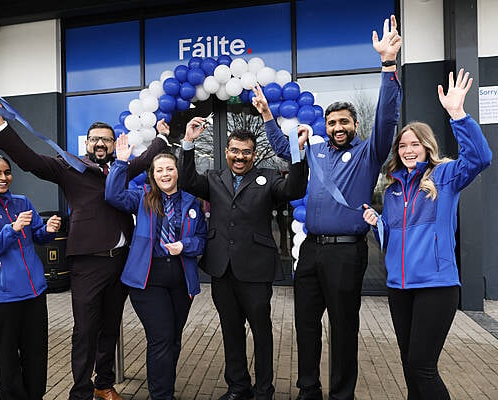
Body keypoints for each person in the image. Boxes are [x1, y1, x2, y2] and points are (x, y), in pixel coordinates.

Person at [251, 15, 403, 400]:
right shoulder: (315, 150)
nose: (337, 127)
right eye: (332, 121)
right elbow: (286, 150)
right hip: (312, 251)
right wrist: (268, 116)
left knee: (343, 327)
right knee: (304, 324)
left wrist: (388, 66)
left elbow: (386, 118)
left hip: (347, 253)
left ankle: (341, 393)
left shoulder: (369, 152)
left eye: (344, 122)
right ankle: (308, 389)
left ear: (354, 125)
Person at [0, 100, 171, 400]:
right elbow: (29, 159)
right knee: (85, 331)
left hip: (120, 262)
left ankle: (103, 384)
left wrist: (161, 136)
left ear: (113, 144)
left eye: (106, 140)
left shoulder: (120, 168)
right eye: (95, 139)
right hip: (87, 263)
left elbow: (147, 160)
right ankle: (80, 392)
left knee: (111, 328)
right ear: (87, 143)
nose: (100, 144)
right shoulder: (69, 167)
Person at [362, 69, 492, 399]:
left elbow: (480, 158)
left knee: (422, 366)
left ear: (427, 146)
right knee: (409, 366)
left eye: (415, 143)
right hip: (399, 288)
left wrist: (457, 114)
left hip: (436, 286)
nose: (408, 149)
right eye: (403, 145)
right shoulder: (391, 190)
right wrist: (377, 222)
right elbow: (391, 239)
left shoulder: (445, 175)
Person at [179, 118, 308, 400]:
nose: (240, 156)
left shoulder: (270, 177)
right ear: (226, 152)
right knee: (231, 331)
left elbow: (294, 191)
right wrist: (188, 142)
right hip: (221, 269)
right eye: (235, 151)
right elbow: (186, 179)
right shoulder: (213, 178)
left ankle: (264, 390)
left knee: (262, 333)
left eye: (246, 152)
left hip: (256, 269)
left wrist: (297, 154)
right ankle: (238, 387)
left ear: (253, 154)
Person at [105, 134, 207, 400]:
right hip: (147, 279)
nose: (165, 173)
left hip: (181, 278)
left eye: (169, 169)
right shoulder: (142, 197)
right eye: (159, 169)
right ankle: (162, 395)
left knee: (173, 339)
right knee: (161, 337)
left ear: (177, 172)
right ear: (153, 174)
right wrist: (121, 163)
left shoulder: (191, 202)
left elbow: (202, 240)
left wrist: (185, 246)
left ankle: (164, 388)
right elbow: (113, 194)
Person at [0, 153, 62, 400]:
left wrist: (48, 230)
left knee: (36, 357)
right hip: (1, 298)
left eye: (7, 172)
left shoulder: (22, 201)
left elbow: (37, 235)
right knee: (7, 363)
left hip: (34, 294)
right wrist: (13, 228)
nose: (3, 178)